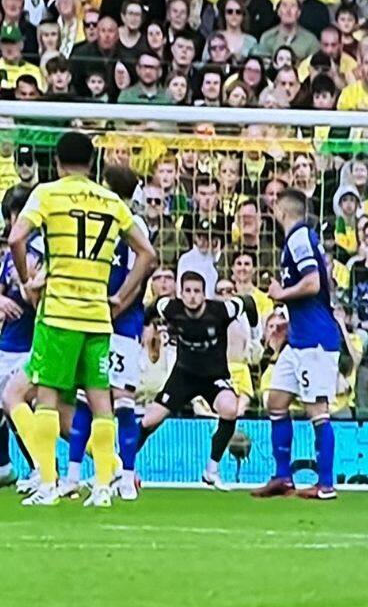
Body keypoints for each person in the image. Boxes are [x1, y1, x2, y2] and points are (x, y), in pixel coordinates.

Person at [6, 131, 156, 507]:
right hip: (98, 317)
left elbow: (15, 238)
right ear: (92, 163)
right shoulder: (111, 202)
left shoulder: (47, 193)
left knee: (47, 397)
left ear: (57, 162)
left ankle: (48, 483)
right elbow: (147, 253)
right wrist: (121, 296)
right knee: (101, 402)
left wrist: (27, 283)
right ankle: (104, 486)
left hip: (58, 312)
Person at [60, 165, 147, 501]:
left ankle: (126, 476)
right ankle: (73, 474)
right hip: (100, 317)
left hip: (121, 322)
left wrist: (119, 304)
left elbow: (142, 271)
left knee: (121, 401)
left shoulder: (132, 225)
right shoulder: (102, 218)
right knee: (87, 396)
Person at [252, 189, 343, 500]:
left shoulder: (299, 237)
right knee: (275, 401)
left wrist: (281, 294)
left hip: (316, 340)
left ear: (281, 210)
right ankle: (283, 476)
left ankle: (326, 483)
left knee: (317, 410)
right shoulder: (300, 238)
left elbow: (313, 282)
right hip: (300, 338)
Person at [136, 271, 257, 489]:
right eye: (188, 291)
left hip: (214, 377)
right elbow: (151, 308)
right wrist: (143, 326)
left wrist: (255, 327)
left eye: (197, 291)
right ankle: (122, 467)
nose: (192, 296)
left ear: (204, 294)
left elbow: (247, 302)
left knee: (230, 409)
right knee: (149, 420)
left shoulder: (221, 310)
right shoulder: (170, 307)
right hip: (183, 375)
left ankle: (211, 470)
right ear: (181, 293)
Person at [0, 185, 42, 494]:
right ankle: (4, 468)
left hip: (34, 341)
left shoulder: (43, 251)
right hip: (8, 342)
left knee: (19, 408)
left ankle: (40, 469)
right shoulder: (13, 253)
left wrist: (27, 284)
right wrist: (0, 301)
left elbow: (40, 299)